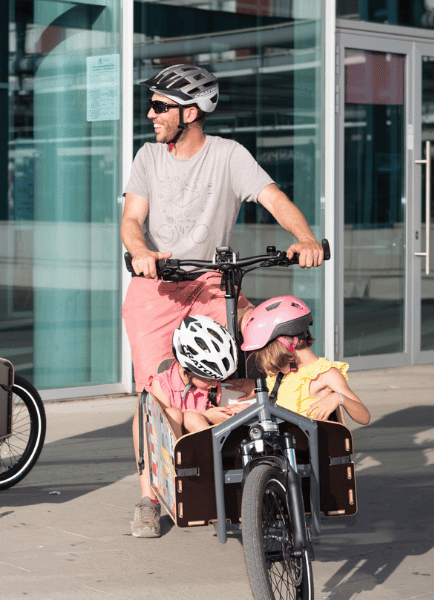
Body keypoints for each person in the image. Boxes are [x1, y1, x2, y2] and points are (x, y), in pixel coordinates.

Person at [122, 63, 325, 537]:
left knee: (257, 347)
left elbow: (273, 198)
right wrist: (141, 252)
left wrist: (306, 238)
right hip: (157, 284)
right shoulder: (149, 158)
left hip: (213, 281)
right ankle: (151, 495)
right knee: (154, 394)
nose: (151, 114)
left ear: (189, 112)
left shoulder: (229, 155)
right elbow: (132, 220)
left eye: (160, 106)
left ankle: (259, 466)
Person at [132, 315, 252, 538]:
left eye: (219, 377)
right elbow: (159, 430)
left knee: (193, 417)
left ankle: (226, 488)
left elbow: (250, 391)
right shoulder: (163, 384)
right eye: (210, 378)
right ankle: (149, 501)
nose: (215, 383)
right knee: (162, 413)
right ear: (188, 368)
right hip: (172, 455)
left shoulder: (213, 384)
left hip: (207, 451)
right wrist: (207, 415)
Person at [241, 296, 371, 425]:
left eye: (267, 353)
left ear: (283, 345)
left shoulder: (326, 374)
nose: (268, 362)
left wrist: (340, 398)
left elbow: (364, 417)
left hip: (309, 443)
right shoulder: (281, 374)